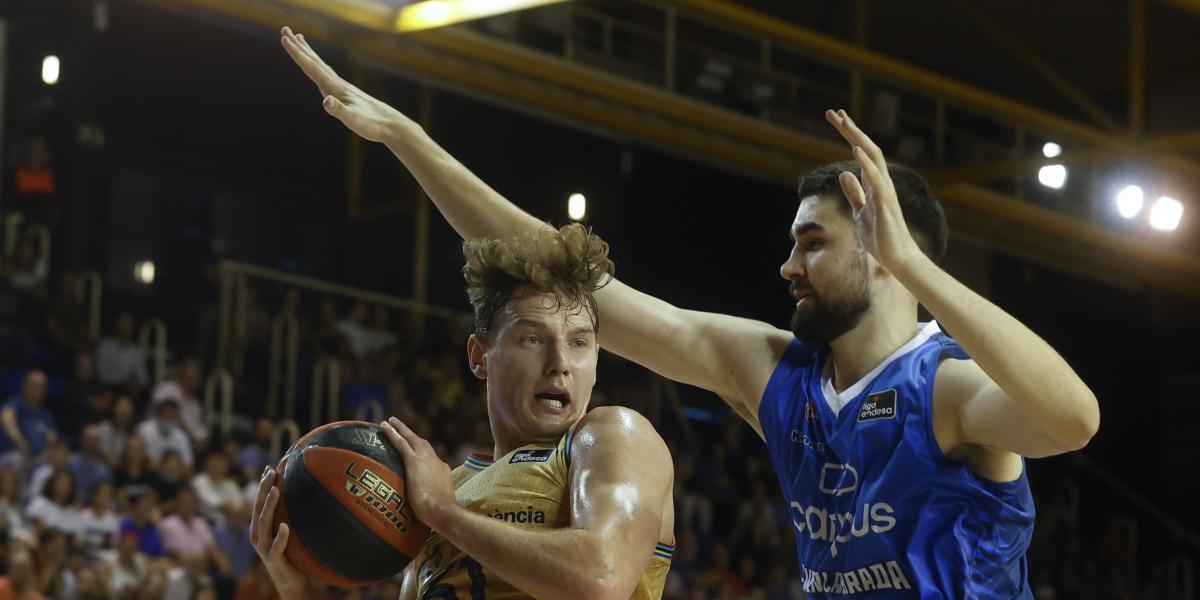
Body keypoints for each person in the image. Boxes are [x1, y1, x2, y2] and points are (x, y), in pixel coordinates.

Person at [280, 28, 1101, 597]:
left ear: (884, 249)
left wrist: (919, 267)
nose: (787, 266)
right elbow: (569, 274)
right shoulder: (774, 370)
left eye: (812, 243)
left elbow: (1072, 420)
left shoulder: (947, 387)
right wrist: (407, 139)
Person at [251, 215, 676, 598]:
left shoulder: (613, 435)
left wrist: (443, 513)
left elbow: (601, 578)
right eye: (533, 338)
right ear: (479, 356)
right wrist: (297, 588)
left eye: (579, 343)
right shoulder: (436, 490)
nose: (560, 364)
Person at [0, 371, 57, 467]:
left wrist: (47, 452)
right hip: (12, 455)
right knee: (17, 458)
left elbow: (52, 438)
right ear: (25, 387)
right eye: (33, 386)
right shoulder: (14, 404)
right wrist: (20, 442)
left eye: (40, 387)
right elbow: (6, 420)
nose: (36, 390)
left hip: (37, 459)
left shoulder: (46, 415)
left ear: (44, 391)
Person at [150, 357, 208, 447]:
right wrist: (189, 434)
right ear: (181, 375)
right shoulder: (166, 388)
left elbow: (201, 436)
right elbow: (163, 415)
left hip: (182, 444)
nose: (191, 380)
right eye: (188, 376)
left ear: (199, 380)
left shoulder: (196, 406)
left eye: (194, 377)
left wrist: (197, 440)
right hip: (158, 435)